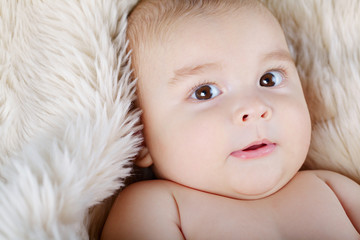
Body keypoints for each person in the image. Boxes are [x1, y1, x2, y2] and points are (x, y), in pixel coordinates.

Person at [101, 0, 360, 239]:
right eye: (205, 93)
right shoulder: (157, 206)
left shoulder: (330, 187)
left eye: (268, 79)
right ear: (141, 136)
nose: (256, 107)